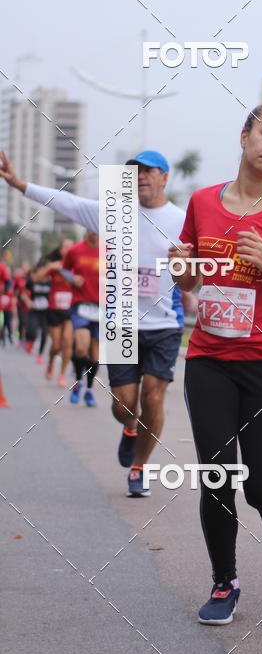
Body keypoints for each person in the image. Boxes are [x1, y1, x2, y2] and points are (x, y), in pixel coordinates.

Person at [174, 103, 262, 625]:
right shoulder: (202, 201)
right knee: (216, 474)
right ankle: (224, 582)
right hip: (209, 360)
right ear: (244, 137)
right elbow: (191, 278)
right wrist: (182, 270)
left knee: (261, 487)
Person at [0, 149, 186, 497]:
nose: (141, 176)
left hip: (164, 324)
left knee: (154, 397)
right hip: (121, 323)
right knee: (123, 405)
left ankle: (140, 467)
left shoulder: (183, 219)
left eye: (149, 171)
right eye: (135, 171)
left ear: (164, 176)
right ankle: (130, 427)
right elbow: (65, 202)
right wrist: (19, 184)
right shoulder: (114, 215)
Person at [62, 230, 101, 406]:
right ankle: (78, 381)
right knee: (80, 348)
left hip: (102, 306)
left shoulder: (110, 250)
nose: (95, 233)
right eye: (92, 229)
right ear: (86, 230)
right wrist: (72, 278)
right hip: (81, 304)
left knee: (94, 354)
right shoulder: (75, 250)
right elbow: (64, 270)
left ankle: (90, 390)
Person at [33, 239, 75, 385]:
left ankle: (62, 374)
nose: (67, 250)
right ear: (60, 250)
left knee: (67, 342)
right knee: (56, 345)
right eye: (65, 247)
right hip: (54, 309)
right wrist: (49, 267)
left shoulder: (76, 266)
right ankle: (51, 361)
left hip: (71, 309)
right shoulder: (55, 265)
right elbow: (37, 278)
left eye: (70, 247)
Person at [23, 262, 51, 359]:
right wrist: (28, 302)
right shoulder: (32, 281)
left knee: (44, 333)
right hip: (34, 310)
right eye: (40, 270)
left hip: (46, 311)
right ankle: (31, 341)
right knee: (33, 331)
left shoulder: (50, 281)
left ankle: (40, 355)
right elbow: (23, 293)